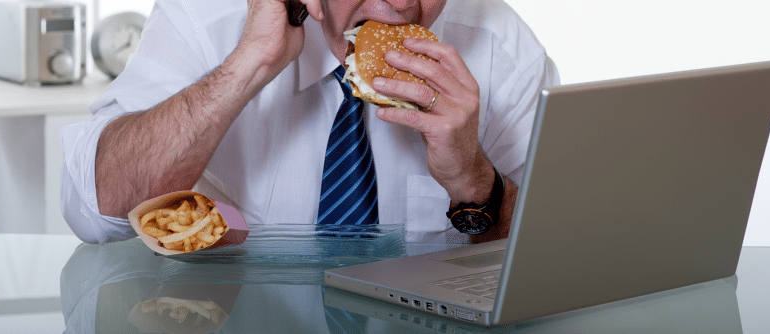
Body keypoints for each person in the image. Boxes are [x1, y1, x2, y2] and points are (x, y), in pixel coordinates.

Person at [60, 0, 559, 245]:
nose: (402, 6)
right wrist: (250, 62)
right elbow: (94, 209)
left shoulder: (499, 46)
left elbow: (563, 261)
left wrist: (475, 181)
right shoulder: (207, 15)